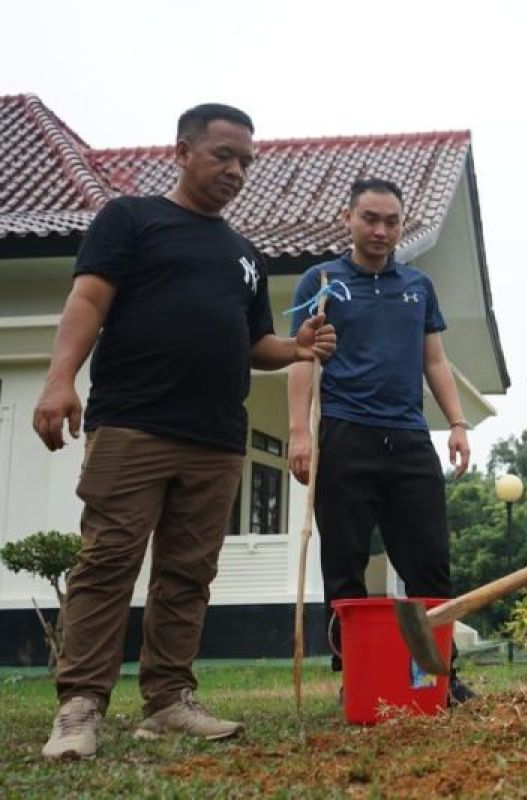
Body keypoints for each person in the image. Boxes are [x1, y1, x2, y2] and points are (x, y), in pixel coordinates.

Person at [31, 104, 336, 760]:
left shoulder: (245, 255)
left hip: (218, 437)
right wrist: (60, 379)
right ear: (182, 151)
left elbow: (254, 343)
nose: (236, 171)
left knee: (188, 574)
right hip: (134, 424)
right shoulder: (131, 219)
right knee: (107, 563)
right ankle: (79, 707)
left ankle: (168, 701)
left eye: (246, 161)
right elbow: (87, 301)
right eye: (223, 155)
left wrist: (297, 345)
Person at [286, 178, 475, 704]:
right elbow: (302, 358)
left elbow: (433, 359)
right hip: (345, 434)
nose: (381, 230)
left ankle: (441, 675)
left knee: (429, 561)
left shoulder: (418, 286)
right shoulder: (321, 282)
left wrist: (457, 423)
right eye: (370, 218)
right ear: (348, 219)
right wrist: (301, 433)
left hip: (410, 437)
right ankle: (358, 672)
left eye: (391, 221)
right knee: (344, 561)